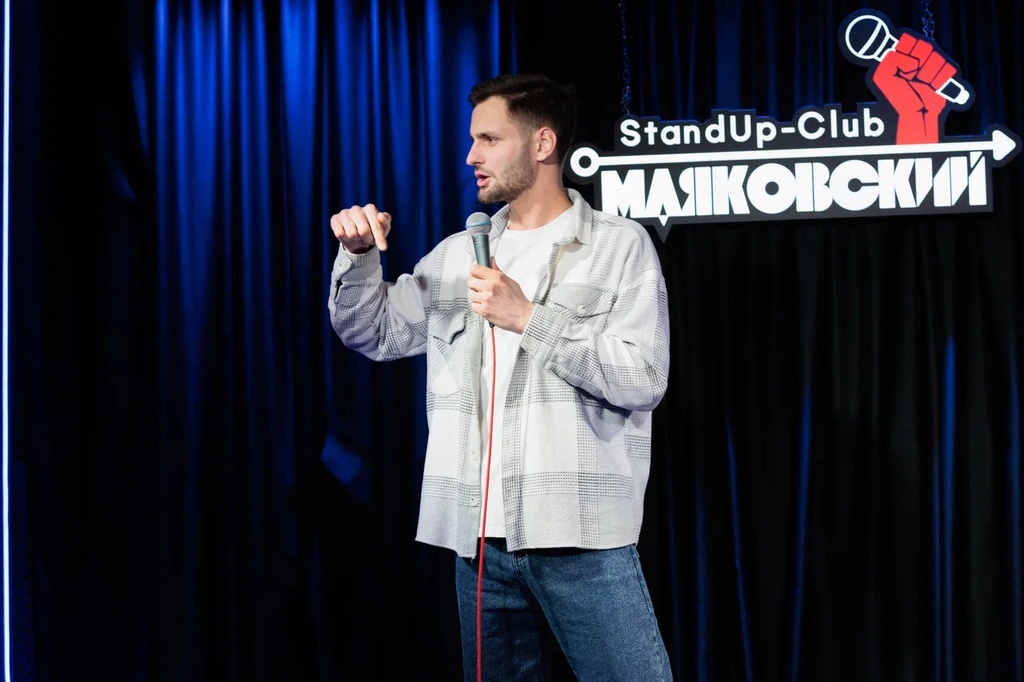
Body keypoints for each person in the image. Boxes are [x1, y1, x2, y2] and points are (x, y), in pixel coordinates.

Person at [328, 73, 672, 681]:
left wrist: (529, 319)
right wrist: (359, 259)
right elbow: (375, 333)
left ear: (542, 143)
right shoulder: (458, 253)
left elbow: (644, 377)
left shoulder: (619, 246)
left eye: (488, 139)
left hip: (579, 532)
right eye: (472, 140)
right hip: (480, 543)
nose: (471, 156)